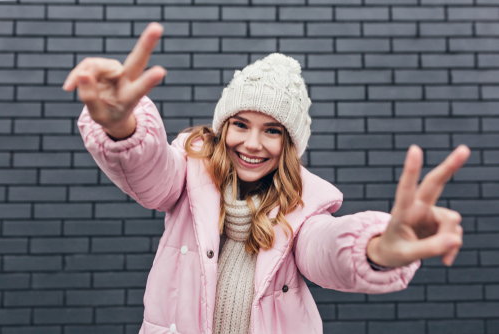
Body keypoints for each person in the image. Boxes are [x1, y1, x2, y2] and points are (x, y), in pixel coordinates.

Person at [64, 22, 470, 334]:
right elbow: (148, 171)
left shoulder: (305, 205)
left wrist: (377, 248)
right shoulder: (187, 173)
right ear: (223, 127)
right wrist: (122, 128)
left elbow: (324, 248)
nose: (253, 143)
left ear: (289, 144)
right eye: (241, 124)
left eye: (272, 130)